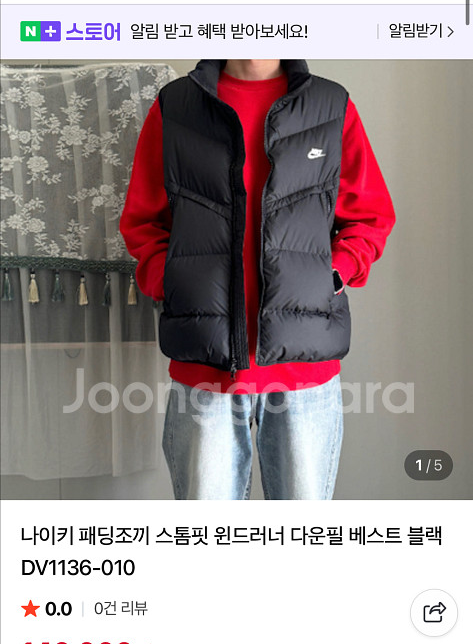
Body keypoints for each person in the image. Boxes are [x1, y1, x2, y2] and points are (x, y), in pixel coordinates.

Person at [120, 59, 395, 500]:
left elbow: (369, 217)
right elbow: (143, 220)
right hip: (204, 364)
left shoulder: (330, 104)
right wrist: (170, 281)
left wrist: (334, 273)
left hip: (303, 368)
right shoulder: (176, 105)